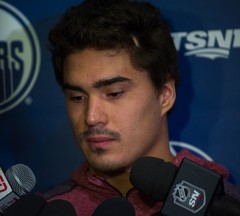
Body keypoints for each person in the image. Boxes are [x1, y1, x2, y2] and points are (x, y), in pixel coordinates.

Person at [44, 0, 240, 215]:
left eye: (114, 93)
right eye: (77, 97)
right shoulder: (48, 208)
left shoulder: (226, 207)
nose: (91, 117)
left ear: (165, 96)